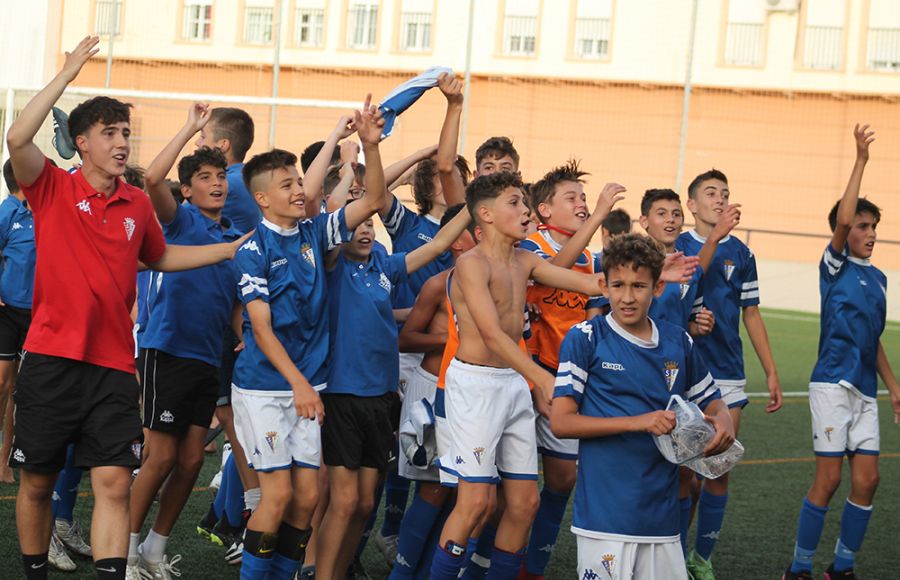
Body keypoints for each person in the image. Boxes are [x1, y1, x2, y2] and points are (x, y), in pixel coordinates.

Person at [5, 36, 248, 580]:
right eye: (110, 134)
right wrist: (67, 73)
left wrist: (228, 249)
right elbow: (17, 135)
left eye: (125, 134)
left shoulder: (137, 202)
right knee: (38, 482)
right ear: (82, 142)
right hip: (50, 359)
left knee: (114, 482)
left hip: (116, 365)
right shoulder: (49, 187)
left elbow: (160, 257)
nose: (122, 143)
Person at [429, 172, 695, 579]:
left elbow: (591, 284)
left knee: (524, 504)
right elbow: (492, 336)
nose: (525, 210)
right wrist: (541, 377)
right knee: (477, 502)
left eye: (525, 202)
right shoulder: (470, 264)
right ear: (484, 214)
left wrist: (654, 274)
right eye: (515, 203)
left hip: (513, 384)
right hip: (476, 388)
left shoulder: (525, 260)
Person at [230, 97, 388, 580]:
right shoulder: (252, 250)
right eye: (290, 185)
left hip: (306, 387)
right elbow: (261, 327)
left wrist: (368, 146)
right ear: (262, 198)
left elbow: (375, 200)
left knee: (310, 496)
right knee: (277, 495)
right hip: (265, 388)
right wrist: (300, 384)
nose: (302, 190)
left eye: (300, 181)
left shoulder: (315, 233)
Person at [549, 233, 734, 580]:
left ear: (658, 288)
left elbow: (714, 401)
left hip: (661, 518)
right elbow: (561, 421)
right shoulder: (586, 338)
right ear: (603, 286)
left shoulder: (678, 340)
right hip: (605, 518)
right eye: (618, 285)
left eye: (639, 286)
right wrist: (639, 422)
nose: (628, 297)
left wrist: (725, 421)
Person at [316, 198, 473, 579]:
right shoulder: (332, 267)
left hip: (382, 396)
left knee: (366, 501)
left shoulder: (383, 265)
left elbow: (436, 247)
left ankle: (336, 573)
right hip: (343, 395)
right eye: (357, 225)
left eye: (370, 223)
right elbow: (333, 212)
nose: (367, 230)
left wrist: (476, 202)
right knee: (345, 500)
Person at [127, 103, 244, 579]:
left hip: (207, 358)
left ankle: (154, 551)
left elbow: (236, 304)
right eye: (206, 177)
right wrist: (190, 128)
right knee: (161, 456)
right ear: (189, 189)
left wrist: (245, 340)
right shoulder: (181, 222)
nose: (217, 183)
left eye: (221, 175)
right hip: (167, 350)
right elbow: (154, 178)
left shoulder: (235, 237)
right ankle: (125, 551)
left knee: (194, 459)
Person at [783, 124, 900, 580]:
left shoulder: (880, 279)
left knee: (868, 480)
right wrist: (861, 160)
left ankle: (843, 567)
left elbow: (874, 339)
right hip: (832, 385)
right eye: (863, 226)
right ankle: (799, 568)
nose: (869, 233)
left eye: (875, 227)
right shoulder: (834, 266)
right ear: (845, 230)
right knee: (829, 481)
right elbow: (845, 220)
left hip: (865, 390)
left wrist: (893, 386)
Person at [518, 160, 624, 580]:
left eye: (584, 198)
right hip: (528, 376)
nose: (582, 204)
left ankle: (534, 567)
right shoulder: (530, 244)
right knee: (511, 490)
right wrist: (599, 215)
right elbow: (553, 275)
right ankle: (488, 563)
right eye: (573, 198)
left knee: (561, 480)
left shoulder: (592, 259)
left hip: (566, 381)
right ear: (544, 210)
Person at [676, 168, 783, 579]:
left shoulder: (742, 254)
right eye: (710, 193)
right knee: (686, 475)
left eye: (724, 193)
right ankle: (673, 554)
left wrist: (770, 371)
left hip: (728, 374)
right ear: (692, 205)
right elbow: (675, 300)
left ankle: (701, 561)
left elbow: (751, 313)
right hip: (685, 374)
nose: (719, 199)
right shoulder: (679, 247)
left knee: (718, 470)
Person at [389, 204, 476, 579]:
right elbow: (406, 339)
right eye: (476, 228)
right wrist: (448, 339)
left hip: (471, 394)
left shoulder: (501, 280)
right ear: (458, 240)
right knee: (435, 490)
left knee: (460, 494)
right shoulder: (439, 283)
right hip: (432, 391)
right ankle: (402, 573)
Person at [0, 159, 35, 486]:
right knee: (2, 385)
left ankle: (8, 457)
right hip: (7, 312)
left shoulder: (45, 211)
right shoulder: (8, 211)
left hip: (38, 315)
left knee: (22, 391)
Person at [196, 106, 260, 234]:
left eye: (203, 136)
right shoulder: (244, 176)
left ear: (223, 145)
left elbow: (173, 218)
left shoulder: (226, 183)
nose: (197, 143)